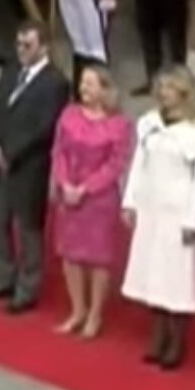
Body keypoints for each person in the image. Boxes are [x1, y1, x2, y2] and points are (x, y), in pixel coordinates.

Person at [117, 70, 195, 368]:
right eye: (160, 87)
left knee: (177, 278)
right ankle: (158, 334)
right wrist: (130, 202)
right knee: (153, 273)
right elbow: (139, 165)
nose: (163, 93)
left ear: (184, 93)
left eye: (170, 88)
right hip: (152, 208)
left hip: (178, 212)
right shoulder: (149, 124)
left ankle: (177, 340)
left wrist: (193, 222)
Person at [47, 63, 133, 341]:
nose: (83, 88)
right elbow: (58, 151)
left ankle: (95, 314)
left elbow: (115, 164)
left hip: (99, 200)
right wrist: (64, 184)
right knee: (70, 255)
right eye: (82, 83)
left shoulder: (119, 125)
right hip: (68, 195)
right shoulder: (69, 115)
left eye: (90, 84)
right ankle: (77, 310)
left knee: (98, 259)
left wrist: (85, 188)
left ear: (105, 89)